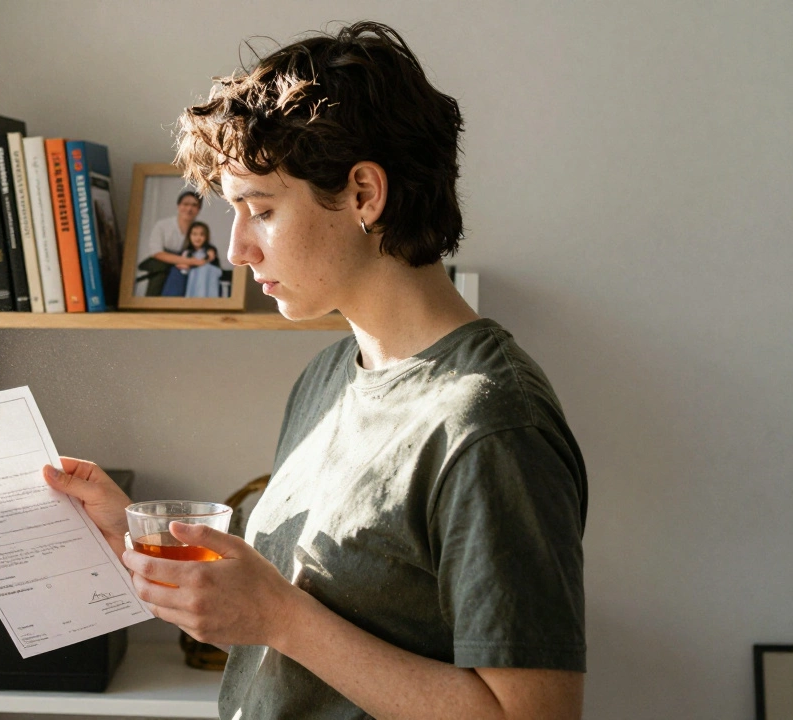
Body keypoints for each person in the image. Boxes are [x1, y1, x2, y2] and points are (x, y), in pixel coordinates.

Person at [43, 20, 586, 720]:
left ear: (364, 194)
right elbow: (296, 588)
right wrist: (134, 532)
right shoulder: (331, 374)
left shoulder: (491, 424)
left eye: (260, 211)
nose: (237, 249)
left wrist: (280, 619)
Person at [139, 189, 202, 296]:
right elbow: (156, 252)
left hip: (187, 264)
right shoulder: (163, 225)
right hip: (160, 264)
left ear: (199, 209)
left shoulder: (200, 229)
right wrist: (185, 261)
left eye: (194, 205)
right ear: (178, 206)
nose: (189, 209)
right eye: (185, 204)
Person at [160, 221, 222, 297]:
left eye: (201, 235)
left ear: (206, 237)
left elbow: (208, 259)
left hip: (208, 273)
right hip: (193, 274)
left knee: (202, 269)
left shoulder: (209, 249)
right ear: (189, 236)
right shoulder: (187, 252)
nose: (197, 238)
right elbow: (182, 266)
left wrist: (191, 265)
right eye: (194, 234)